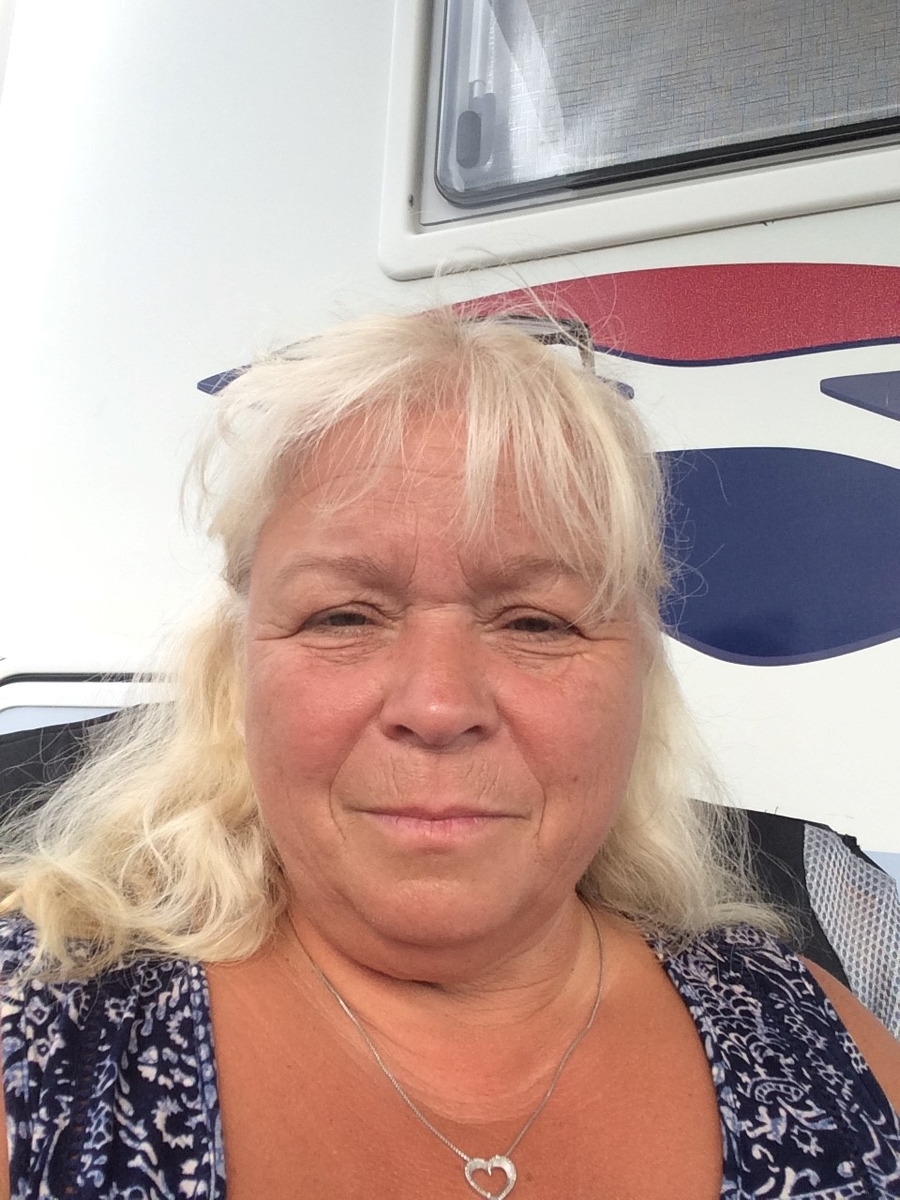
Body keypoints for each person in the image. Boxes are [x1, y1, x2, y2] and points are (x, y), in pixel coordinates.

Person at [0, 308, 897, 1200]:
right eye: (342, 616)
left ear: (639, 682)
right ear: (238, 673)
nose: (437, 706)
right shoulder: (40, 1033)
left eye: (537, 623)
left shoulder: (821, 1044)